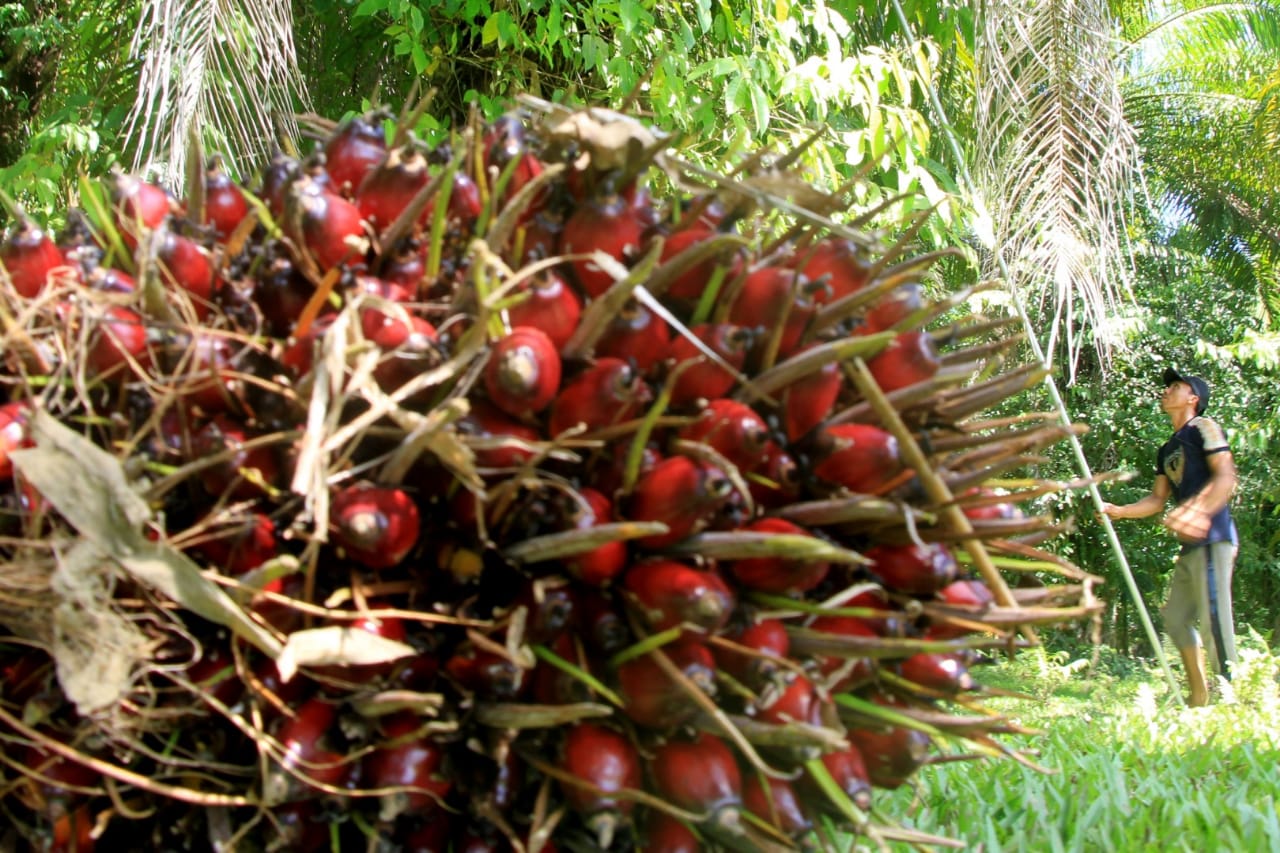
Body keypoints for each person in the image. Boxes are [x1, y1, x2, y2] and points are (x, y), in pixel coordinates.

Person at [1100, 367, 1238, 706]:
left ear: (1193, 399)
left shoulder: (1204, 427)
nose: (1166, 391)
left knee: (1214, 618)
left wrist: (1197, 512)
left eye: (1175, 386)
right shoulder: (1167, 449)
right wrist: (1117, 510)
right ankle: (1198, 697)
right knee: (1175, 618)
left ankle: (1229, 696)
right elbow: (1156, 500)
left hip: (1213, 537)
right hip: (1190, 545)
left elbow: (1226, 477)